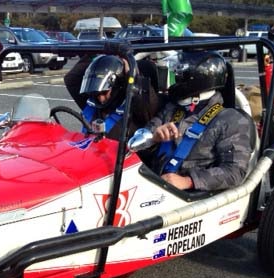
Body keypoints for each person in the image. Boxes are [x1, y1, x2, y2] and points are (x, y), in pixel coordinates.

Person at [144, 51, 252, 191]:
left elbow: (235, 172)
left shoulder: (230, 119)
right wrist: (153, 138)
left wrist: (188, 181)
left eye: (179, 76)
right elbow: (138, 140)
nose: (176, 79)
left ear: (198, 79)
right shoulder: (172, 108)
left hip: (190, 196)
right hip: (154, 185)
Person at [64, 53, 159, 140]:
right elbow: (72, 79)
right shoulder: (93, 105)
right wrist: (94, 54)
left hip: (120, 157)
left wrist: (132, 77)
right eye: (97, 93)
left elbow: (147, 105)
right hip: (87, 154)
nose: (100, 99)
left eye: (104, 93)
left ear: (117, 86)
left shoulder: (135, 109)